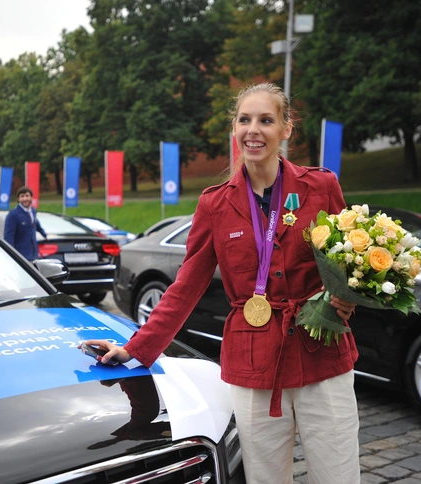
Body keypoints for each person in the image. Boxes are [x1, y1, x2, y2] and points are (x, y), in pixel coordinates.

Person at [84, 83, 360, 484]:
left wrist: (348, 295)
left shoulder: (321, 187)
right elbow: (185, 287)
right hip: (254, 365)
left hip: (324, 353)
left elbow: (351, 259)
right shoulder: (215, 204)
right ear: (234, 128)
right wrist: (133, 349)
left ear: (286, 129)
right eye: (245, 119)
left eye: (266, 120)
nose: (254, 130)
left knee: (339, 477)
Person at [4, 186, 47, 262]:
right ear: (18, 199)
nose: (25, 199)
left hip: (34, 257)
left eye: (27, 196)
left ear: (31, 198)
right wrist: (12, 257)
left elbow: (35, 224)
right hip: (21, 258)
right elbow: (8, 238)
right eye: (22, 196)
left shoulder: (33, 211)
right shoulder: (13, 215)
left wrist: (44, 234)